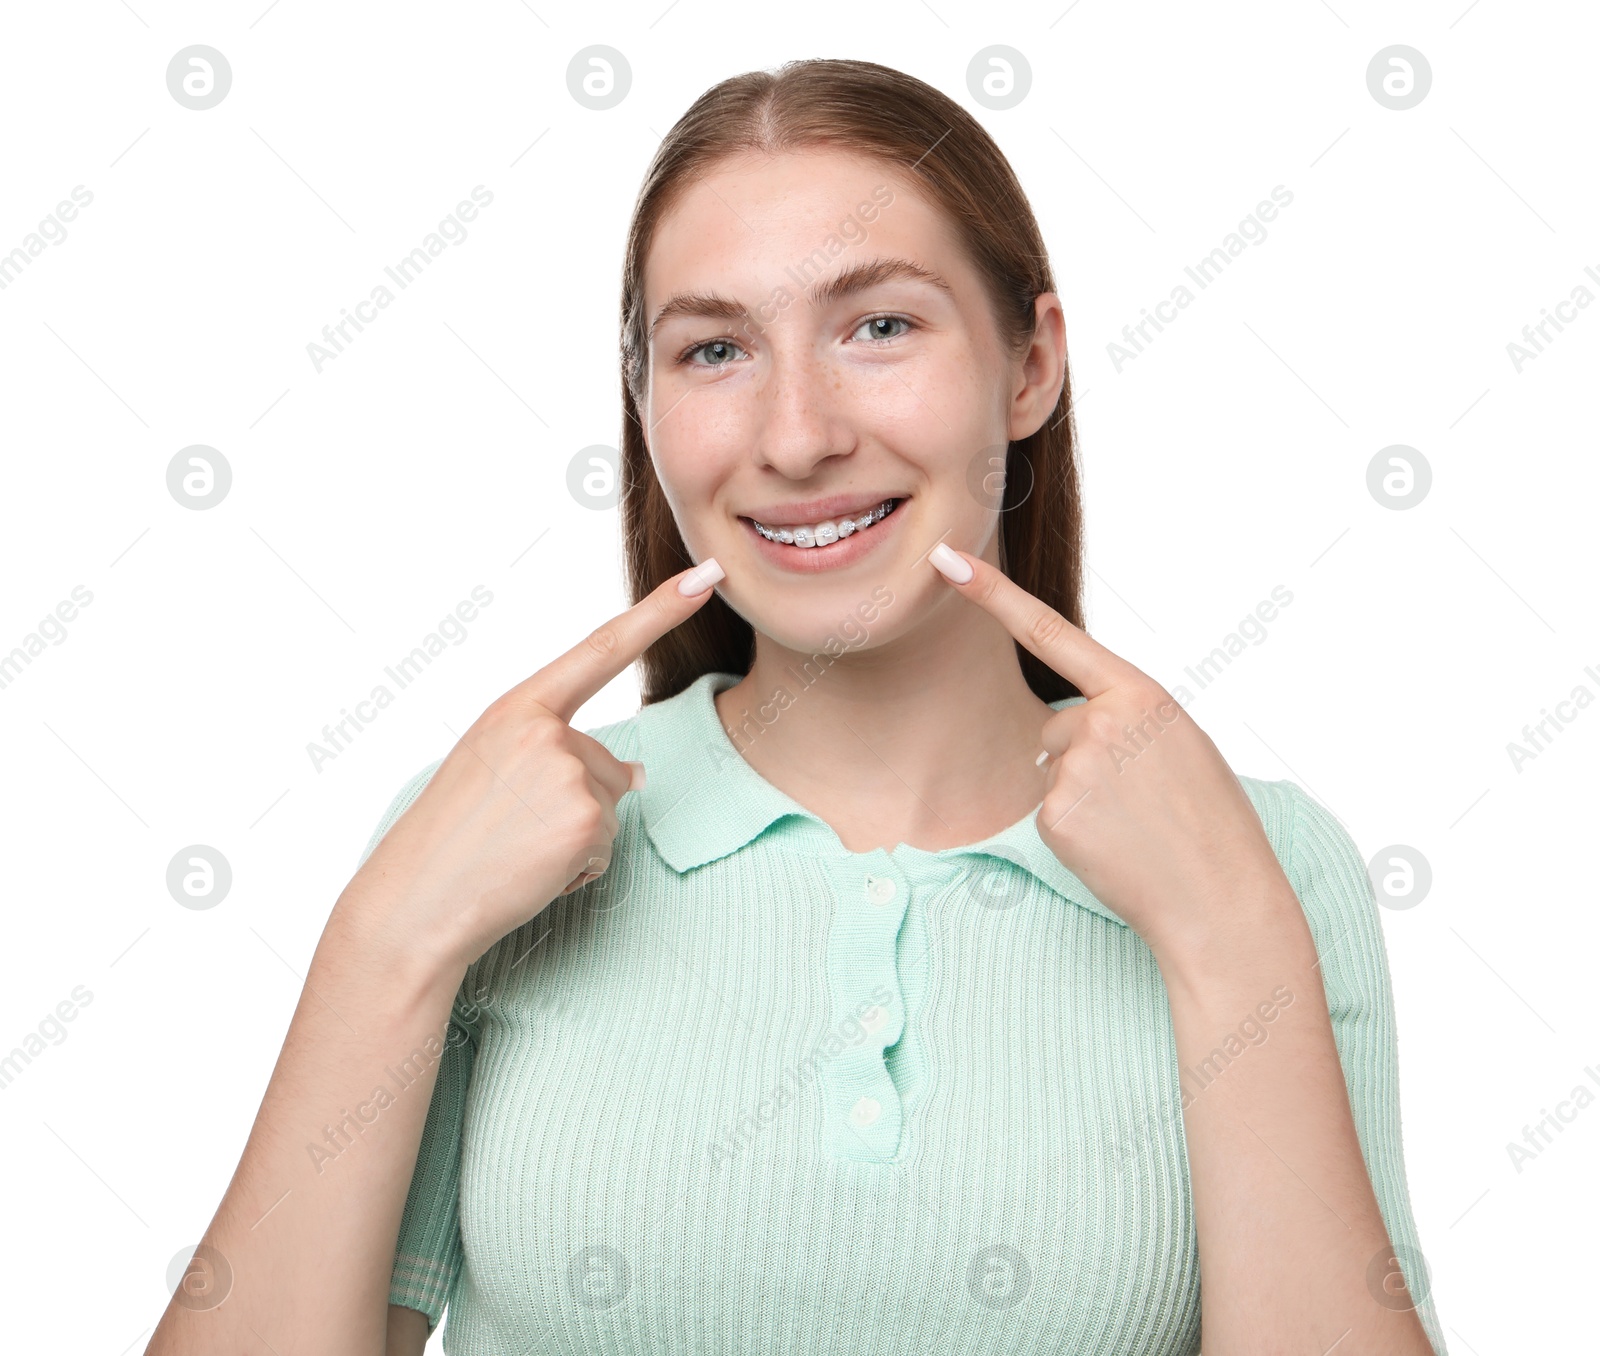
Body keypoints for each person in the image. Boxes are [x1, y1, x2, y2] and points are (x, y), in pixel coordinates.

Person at [148, 58, 1445, 1355]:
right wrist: (385, 945)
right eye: (714, 350)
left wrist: (1229, 937)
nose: (797, 435)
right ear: (647, 411)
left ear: (1032, 367)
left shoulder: (1264, 868)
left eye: (879, 326)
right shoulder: (479, 850)